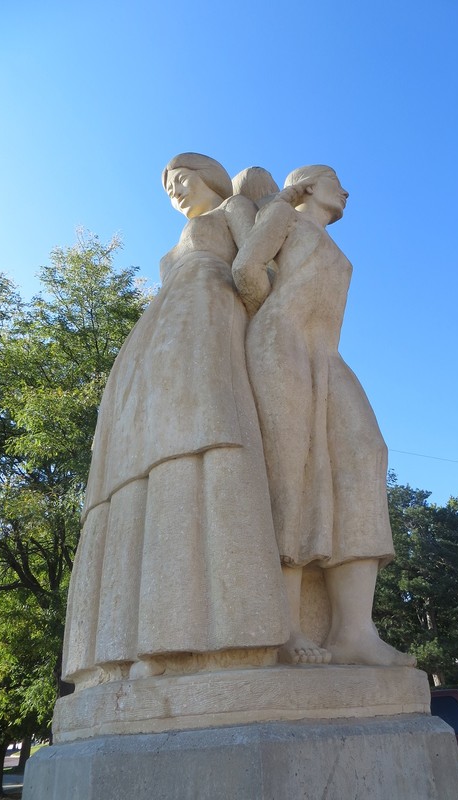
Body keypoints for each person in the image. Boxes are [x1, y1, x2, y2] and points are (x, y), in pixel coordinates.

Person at [62, 154, 288, 688]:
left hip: (208, 314)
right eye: (168, 189)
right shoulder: (177, 243)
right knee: (143, 459)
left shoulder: (231, 207)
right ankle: (135, 638)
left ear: (206, 175)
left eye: (181, 180)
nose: (177, 192)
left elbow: (261, 268)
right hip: (156, 335)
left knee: (206, 436)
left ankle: (227, 627)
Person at [232, 165, 415, 667]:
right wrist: (274, 316)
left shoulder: (327, 240)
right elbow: (246, 268)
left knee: (364, 453)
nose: (347, 190)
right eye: (336, 180)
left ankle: (353, 631)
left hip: (326, 357)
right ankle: (287, 628)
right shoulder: (282, 218)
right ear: (309, 185)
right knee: (293, 473)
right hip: (281, 345)